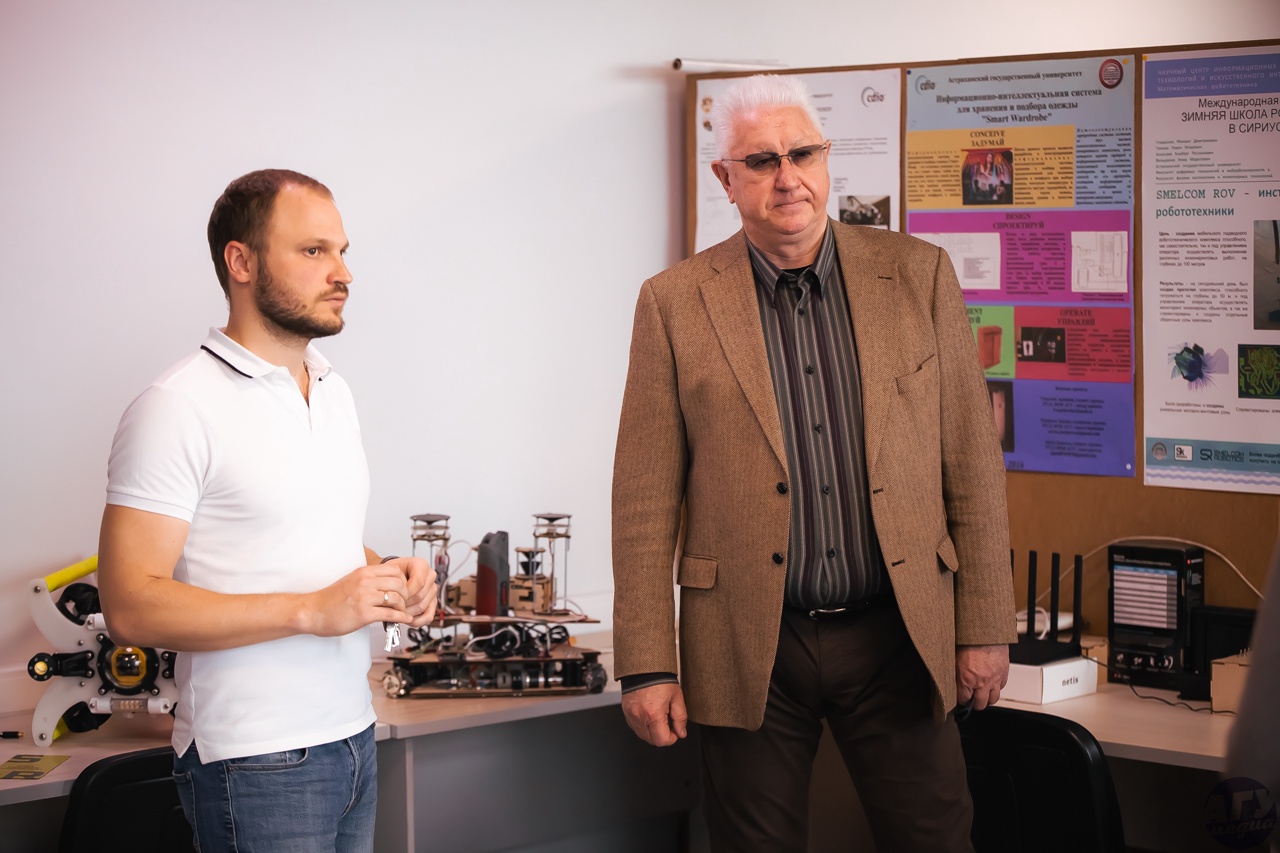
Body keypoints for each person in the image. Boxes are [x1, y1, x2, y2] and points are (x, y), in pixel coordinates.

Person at [612, 75, 1015, 852]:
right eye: (761, 161)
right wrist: (647, 665)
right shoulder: (674, 302)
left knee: (937, 839)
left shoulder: (919, 276)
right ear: (727, 179)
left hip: (897, 631)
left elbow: (971, 461)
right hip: (749, 640)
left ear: (827, 158)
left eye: (802, 154)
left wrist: (986, 624)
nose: (787, 177)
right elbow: (643, 498)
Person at [97, 169, 437, 853]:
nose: (342, 273)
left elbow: (305, 535)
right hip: (254, 758)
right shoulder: (175, 407)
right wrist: (312, 610)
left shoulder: (332, 389)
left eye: (342, 251)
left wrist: (388, 574)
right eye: (314, 251)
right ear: (242, 261)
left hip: (353, 733)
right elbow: (130, 605)